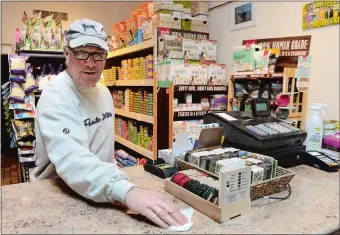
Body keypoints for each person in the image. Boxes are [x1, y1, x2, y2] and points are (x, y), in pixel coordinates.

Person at [34, 19, 187, 229]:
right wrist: (127, 191)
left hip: (96, 191)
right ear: (66, 53)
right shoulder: (56, 95)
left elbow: (104, 150)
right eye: (81, 53)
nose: (90, 63)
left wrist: (116, 180)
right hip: (58, 194)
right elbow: (72, 159)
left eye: (98, 54)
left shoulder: (103, 92)